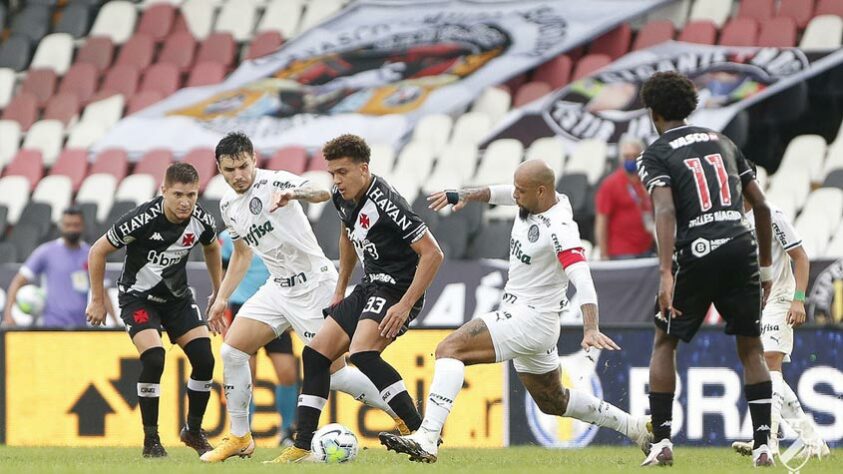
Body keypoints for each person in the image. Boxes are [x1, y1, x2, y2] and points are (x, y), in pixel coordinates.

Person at [378, 160, 651, 463]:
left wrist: (590, 328)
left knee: (449, 349)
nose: (515, 195)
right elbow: (506, 193)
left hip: (530, 319)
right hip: (532, 320)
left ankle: (428, 437)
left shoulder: (560, 227)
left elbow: (583, 277)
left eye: (521, 190)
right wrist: (466, 195)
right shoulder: (534, 199)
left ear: (541, 190)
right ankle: (635, 427)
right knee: (553, 401)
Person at [200, 132, 407, 463]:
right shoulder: (228, 205)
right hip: (277, 287)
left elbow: (323, 191)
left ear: (253, 158)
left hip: (314, 286)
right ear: (219, 169)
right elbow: (241, 255)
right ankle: (240, 436)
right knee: (232, 351)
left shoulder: (276, 181)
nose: (237, 175)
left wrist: (294, 193)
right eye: (229, 170)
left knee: (336, 374)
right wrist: (222, 297)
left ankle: (408, 419)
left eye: (242, 166)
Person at [274, 133, 444, 463]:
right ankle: (301, 445)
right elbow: (347, 237)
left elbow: (433, 254)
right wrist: (340, 290)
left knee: (362, 354)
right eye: (332, 173)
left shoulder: (387, 203)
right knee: (316, 354)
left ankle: (419, 432)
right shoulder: (343, 198)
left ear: (363, 169)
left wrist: (406, 303)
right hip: (370, 285)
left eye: (342, 172)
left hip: (397, 289)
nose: (336, 181)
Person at [635, 72, 775, 467]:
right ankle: (763, 444)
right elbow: (761, 206)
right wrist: (765, 271)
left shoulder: (656, 153)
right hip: (740, 246)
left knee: (665, 342)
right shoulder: (723, 141)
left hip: (695, 253)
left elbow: (664, 209)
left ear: (653, 111)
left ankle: (662, 442)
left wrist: (665, 272)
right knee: (751, 348)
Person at [85, 163, 222, 458]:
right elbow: (97, 251)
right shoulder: (141, 219)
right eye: (178, 194)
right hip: (138, 298)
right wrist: (97, 299)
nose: (185, 201)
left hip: (178, 300)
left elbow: (212, 247)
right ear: (163, 192)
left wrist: (218, 291)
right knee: (154, 358)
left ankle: (193, 430)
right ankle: (151, 440)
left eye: (192, 194)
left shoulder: (202, 220)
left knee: (204, 359)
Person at [731, 164, 829, 459]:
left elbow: (800, 257)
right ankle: (813, 442)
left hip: (781, 297)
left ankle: (767, 441)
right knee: (768, 372)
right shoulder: (730, 220)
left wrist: (798, 299)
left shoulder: (770, 213)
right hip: (754, 303)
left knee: (767, 363)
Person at [218, 229, 299, 446]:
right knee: (245, 374)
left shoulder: (279, 231)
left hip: (276, 309)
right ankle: (244, 433)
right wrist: (220, 300)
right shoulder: (229, 237)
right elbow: (223, 270)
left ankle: (287, 432)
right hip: (241, 308)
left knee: (288, 373)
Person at [3, 208, 116, 327]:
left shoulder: (92, 254)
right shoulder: (46, 252)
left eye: (76, 225)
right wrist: (8, 314)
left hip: (80, 327)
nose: (72, 229)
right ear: (60, 226)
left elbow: (103, 292)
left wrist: (115, 321)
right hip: (51, 326)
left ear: (83, 226)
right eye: (68, 225)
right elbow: (18, 281)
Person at [594, 135, 654, 260]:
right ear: (621, 158)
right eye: (627, 156)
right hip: (622, 251)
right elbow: (601, 221)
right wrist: (604, 254)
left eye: (634, 156)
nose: (631, 160)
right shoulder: (610, 183)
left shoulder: (645, 180)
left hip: (646, 248)